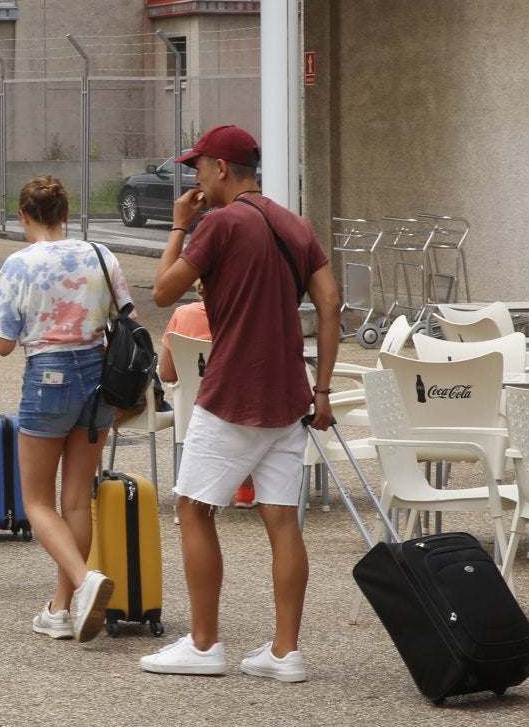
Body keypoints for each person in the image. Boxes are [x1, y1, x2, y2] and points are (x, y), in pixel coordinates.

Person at [143, 124, 340, 683]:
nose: (195, 177)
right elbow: (331, 303)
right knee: (282, 520)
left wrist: (180, 226)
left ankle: (205, 645)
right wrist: (322, 389)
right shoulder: (295, 224)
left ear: (222, 169)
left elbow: (161, 292)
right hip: (290, 396)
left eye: (199, 167)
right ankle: (285, 652)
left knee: (192, 507)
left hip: (233, 390)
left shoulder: (219, 223)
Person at [0, 176, 118, 643]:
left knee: (37, 501)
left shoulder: (18, 265)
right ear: (66, 212)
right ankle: (61, 609)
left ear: (24, 216)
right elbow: (128, 319)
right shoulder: (100, 255)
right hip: (99, 375)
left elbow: (1, 345)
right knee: (77, 499)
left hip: (49, 376)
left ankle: (83, 584)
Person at [159, 281, 255, 508]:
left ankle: (193, 492)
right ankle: (246, 487)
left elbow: (167, 373)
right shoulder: (247, 316)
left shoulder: (182, 315)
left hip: (193, 409)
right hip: (241, 409)